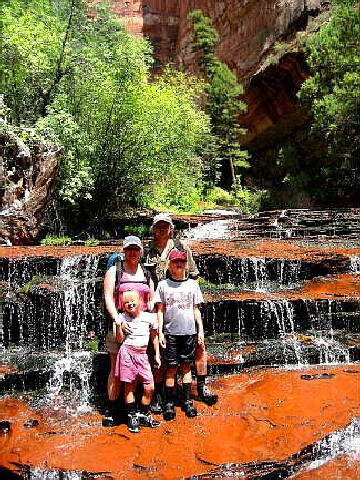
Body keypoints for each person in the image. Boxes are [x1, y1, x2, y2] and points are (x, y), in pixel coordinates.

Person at [144, 213, 218, 411]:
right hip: (158, 305)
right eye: (158, 226)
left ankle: (201, 388)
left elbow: (194, 275)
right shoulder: (147, 252)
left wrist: (190, 298)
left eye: (165, 226)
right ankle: (160, 395)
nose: (161, 229)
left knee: (199, 346)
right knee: (157, 350)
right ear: (153, 228)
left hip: (183, 305)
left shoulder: (181, 248)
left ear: (171, 228)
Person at [103, 235, 154, 427]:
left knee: (140, 371)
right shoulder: (114, 271)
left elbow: (152, 300)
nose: (132, 252)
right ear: (123, 251)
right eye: (129, 249)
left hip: (141, 329)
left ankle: (136, 411)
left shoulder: (147, 273)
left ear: (141, 251)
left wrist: (155, 327)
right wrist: (117, 319)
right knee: (116, 370)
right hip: (120, 326)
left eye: (136, 249)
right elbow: (108, 297)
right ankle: (111, 409)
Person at [154, 249, 204, 420]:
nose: (179, 264)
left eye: (182, 261)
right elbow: (159, 310)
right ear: (170, 264)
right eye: (175, 261)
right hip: (170, 333)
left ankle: (188, 401)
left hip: (188, 332)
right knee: (171, 368)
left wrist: (201, 330)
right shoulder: (162, 285)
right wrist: (159, 332)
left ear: (186, 264)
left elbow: (196, 309)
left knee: (186, 367)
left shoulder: (193, 285)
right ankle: (169, 404)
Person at [114, 290, 161, 433]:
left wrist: (157, 355)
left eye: (133, 300)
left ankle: (144, 413)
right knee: (130, 387)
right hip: (127, 353)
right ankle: (132, 416)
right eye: (126, 302)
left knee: (149, 386)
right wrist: (118, 325)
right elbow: (119, 340)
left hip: (142, 355)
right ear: (123, 305)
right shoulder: (121, 318)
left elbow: (154, 338)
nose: (130, 304)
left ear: (140, 301)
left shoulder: (150, 317)